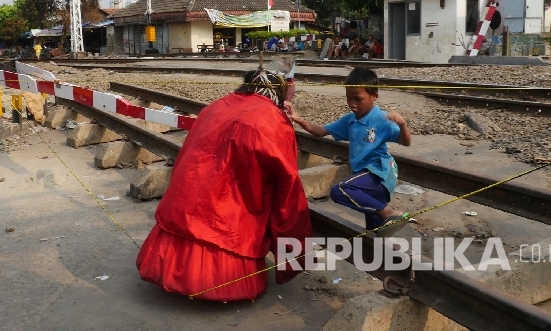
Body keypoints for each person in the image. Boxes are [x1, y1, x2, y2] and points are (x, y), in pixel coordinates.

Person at [136, 69, 312, 302]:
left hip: (190, 192)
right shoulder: (273, 118)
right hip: (229, 204)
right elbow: (287, 180)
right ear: (277, 94)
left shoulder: (216, 105)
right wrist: (294, 247)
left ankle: (169, 273)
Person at [284, 67, 414, 236]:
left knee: (340, 191)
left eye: (358, 99)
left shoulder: (381, 119)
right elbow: (321, 131)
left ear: (374, 96)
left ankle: (390, 212)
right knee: (375, 231)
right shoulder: (350, 120)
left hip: (379, 173)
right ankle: (379, 248)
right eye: (349, 98)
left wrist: (403, 124)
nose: (352, 104)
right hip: (363, 179)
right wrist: (299, 119)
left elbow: (406, 142)